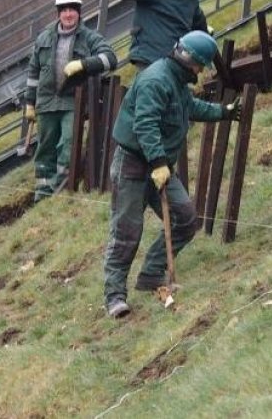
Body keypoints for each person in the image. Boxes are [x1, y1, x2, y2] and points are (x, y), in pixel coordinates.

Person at [102, 31, 241, 318]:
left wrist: (223, 112)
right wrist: (158, 163)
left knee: (186, 218)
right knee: (126, 231)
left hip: (158, 164)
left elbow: (190, 107)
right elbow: (145, 124)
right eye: (201, 66)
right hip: (133, 164)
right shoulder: (156, 80)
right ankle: (114, 296)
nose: (202, 72)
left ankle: (152, 272)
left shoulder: (176, 81)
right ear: (190, 61)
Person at [24, 0, 118, 202]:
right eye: (64, 10)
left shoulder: (89, 38)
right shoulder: (44, 38)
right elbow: (33, 73)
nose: (68, 15)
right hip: (46, 101)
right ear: (58, 13)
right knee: (46, 146)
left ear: (79, 12)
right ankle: (43, 192)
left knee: (68, 144)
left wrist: (83, 64)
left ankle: (61, 189)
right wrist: (29, 103)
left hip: (71, 101)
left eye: (72, 10)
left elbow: (110, 59)